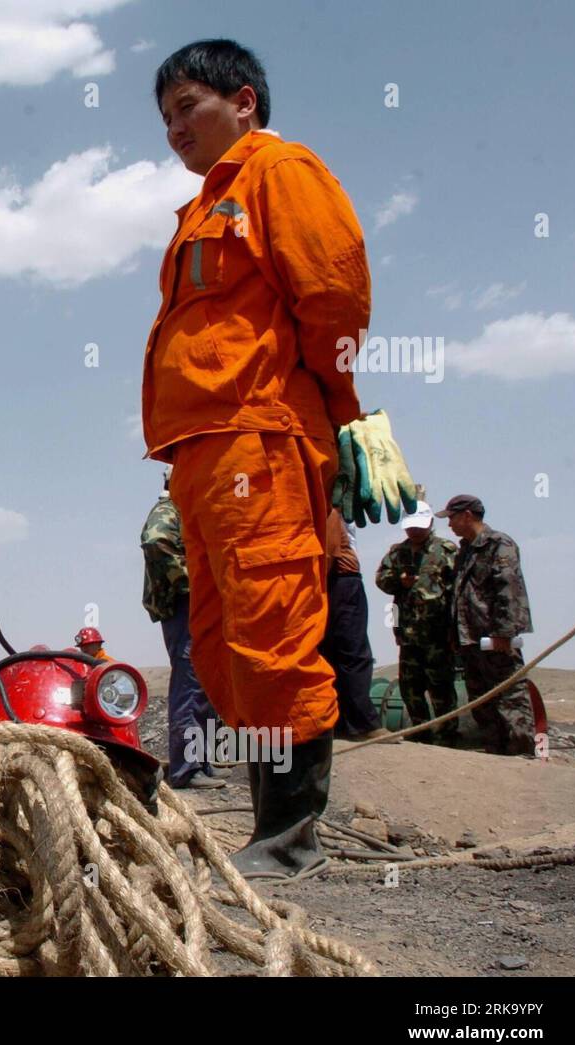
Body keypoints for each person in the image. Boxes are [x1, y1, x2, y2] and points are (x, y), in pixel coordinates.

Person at [141, 39, 370, 878]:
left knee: (273, 629)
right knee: (224, 643)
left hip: (258, 435)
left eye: (188, 108)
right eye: (165, 116)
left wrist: (325, 407)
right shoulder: (206, 207)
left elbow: (334, 294)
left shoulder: (279, 172)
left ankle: (289, 835)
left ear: (243, 101)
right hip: (200, 454)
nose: (174, 128)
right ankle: (269, 826)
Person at [141, 478, 228, 789]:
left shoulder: (186, 510)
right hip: (184, 607)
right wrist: (192, 581)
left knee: (203, 686)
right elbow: (155, 541)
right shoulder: (169, 509)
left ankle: (202, 762)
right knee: (190, 685)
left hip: (197, 607)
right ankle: (186, 769)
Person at [438, 494, 535, 756]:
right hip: (470, 638)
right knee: (482, 700)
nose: (449, 525)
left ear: (467, 515)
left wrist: (504, 632)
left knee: (509, 696)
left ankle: (522, 753)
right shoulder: (466, 550)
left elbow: (508, 589)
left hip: (494, 638)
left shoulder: (498, 544)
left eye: (452, 518)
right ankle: (496, 753)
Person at [374, 502, 459, 742]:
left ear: (430, 523)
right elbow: (381, 580)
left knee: (441, 686)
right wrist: (399, 581)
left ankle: (447, 734)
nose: (414, 532)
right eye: (410, 528)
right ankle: (419, 734)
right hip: (408, 633)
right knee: (411, 687)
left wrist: (455, 630)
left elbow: (459, 590)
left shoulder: (447, 550)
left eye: (418, 528)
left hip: (438, 634)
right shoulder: (397, 552)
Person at [321, 507, 386, 740]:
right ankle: (359, 723)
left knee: (342, 652)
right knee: (348, 653)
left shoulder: (326, 509)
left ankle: (351, 722)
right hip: (337, 582)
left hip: (335, 582)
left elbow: (329, 551)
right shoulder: (327, 507)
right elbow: (329, 551)